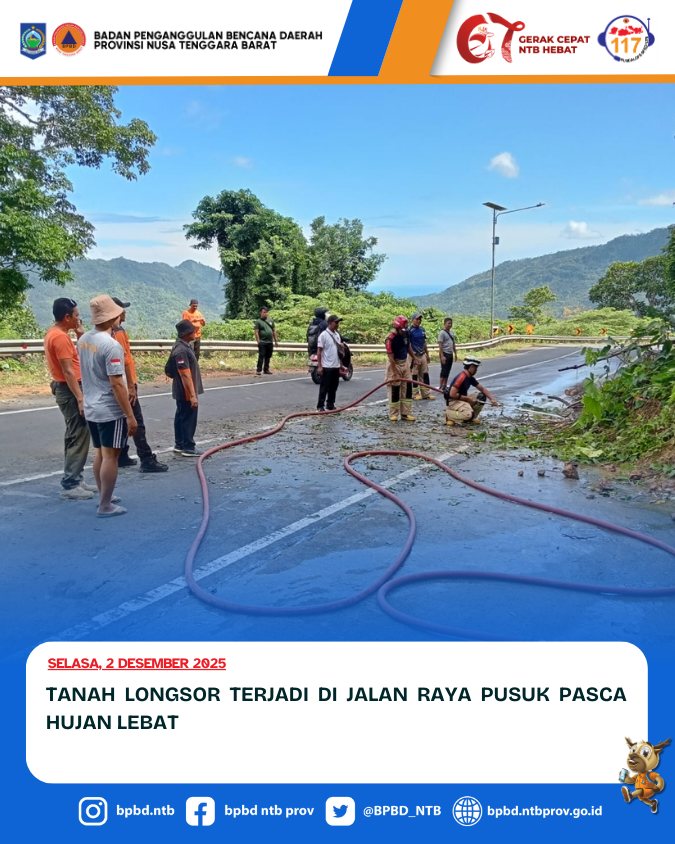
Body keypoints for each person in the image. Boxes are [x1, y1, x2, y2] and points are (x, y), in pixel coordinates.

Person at [78, 296, 138, 517]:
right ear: (112, 317)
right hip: (109, 409)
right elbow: (117, 384)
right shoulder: (111, 345)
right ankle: (105, 505)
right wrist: (129, 415)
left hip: (91, 406)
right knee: (111, 456)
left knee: (101, 453)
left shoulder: (84, 339)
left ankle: (105, 495)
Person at [44, 297, 95, 500]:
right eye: (76, 315)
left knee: (74, 434)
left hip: (66, 389)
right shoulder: (60, 338)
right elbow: (68, 371)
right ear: (67, 317)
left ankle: (76, 477)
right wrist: (80, 398)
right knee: (78, 435)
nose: (78, 318)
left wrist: (80, 334)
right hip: (70, 390)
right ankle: (71, 484)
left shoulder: (55, 333)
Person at [111, 297, 168, 473]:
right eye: (122, 310)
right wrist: (131, 386)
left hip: (115, 383)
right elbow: (126, 360)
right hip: (125, 383)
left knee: (120, 420)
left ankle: (121, 455)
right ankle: (146, 458)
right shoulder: (118, 332)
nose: (125, 313)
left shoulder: (106, 333)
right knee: (136, 421)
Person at [169, 319, 204, 457]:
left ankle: (179, 444)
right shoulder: (181, 350)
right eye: (192, 330)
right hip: (185, 391)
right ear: (186, 333)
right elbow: (185, 374)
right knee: (188, 418)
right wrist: (192, 395)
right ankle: (188, 447)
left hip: (183, 390)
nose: (195, 332)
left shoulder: (183, 346)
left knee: (181, 416)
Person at [444, 356, 500, 426]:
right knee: (468, 415)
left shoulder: (470, 377)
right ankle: (449, 415)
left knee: (481, 397)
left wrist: (492, 399)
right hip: (454, 401)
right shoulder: (461, 377)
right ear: (471, 367)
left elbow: (482, 389)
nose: (476, 370)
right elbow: (452, 394)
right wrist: (467, 399)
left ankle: (472, 418)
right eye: (476, 368)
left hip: (462, 400)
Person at [385, 316, 415, 422]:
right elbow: (391, 358)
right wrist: (394, 373)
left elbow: (408, 347)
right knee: (394, 388)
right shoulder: (390, 339)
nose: (404, 331)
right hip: (394, 363)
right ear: (397, 328)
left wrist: (414, 358)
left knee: (407, 388)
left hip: (404, 362)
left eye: (405, 329)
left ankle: (406, 414)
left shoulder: (406, 334)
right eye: (402, 330)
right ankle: (393, 414)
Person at [316, 314, 344, 412]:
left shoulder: (337, 335)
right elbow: (319, 351)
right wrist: (320, 366)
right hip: (327, 365)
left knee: (333, 387)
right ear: (330, 323)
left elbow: (338, 351)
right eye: (336, 322)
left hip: (335, 365)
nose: (337, 324)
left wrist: (340, 364)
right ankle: (320, 405)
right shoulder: (324, 335)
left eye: (338, 323)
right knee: (324, 387)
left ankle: (330, 404)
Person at [408, 312, 435, 401]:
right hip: (414, 355)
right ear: (413, 320)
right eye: (417, 319)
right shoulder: (409, 331)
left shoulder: (422, 330)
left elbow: (424, 342)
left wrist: (427, 354)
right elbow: (408, 344)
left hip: (422, 354)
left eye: (420, 319)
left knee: (425, 374)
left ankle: (426, 393)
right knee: (414, 374)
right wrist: (413, 357)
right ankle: (415, 394)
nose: (418, 321)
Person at [253, 307, 278, 375]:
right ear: (260, 313)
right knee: (261, 356)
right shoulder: (258, 321)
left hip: (270, 342)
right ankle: (259, 370)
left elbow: (274, 330)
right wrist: (258, 341)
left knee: (268, 356)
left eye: (266, 312)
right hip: (262, 342)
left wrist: (276, 340)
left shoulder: (270, 320)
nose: (265, 313)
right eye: (264, 312)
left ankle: (266, 369)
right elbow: (256, 332)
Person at [438, 316, 458, 391]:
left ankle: (445, 385)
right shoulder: (442, 333)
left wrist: (455, 353)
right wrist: (442, 356)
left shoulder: (452, 333)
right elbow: (440, 345)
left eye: (451, 323)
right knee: (443, 370)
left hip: (450, 353)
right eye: (448, 323)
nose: (450, 325)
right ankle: (441, 386)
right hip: (444, 353)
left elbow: (453, 344)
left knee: (448, 370)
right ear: (444, 324)